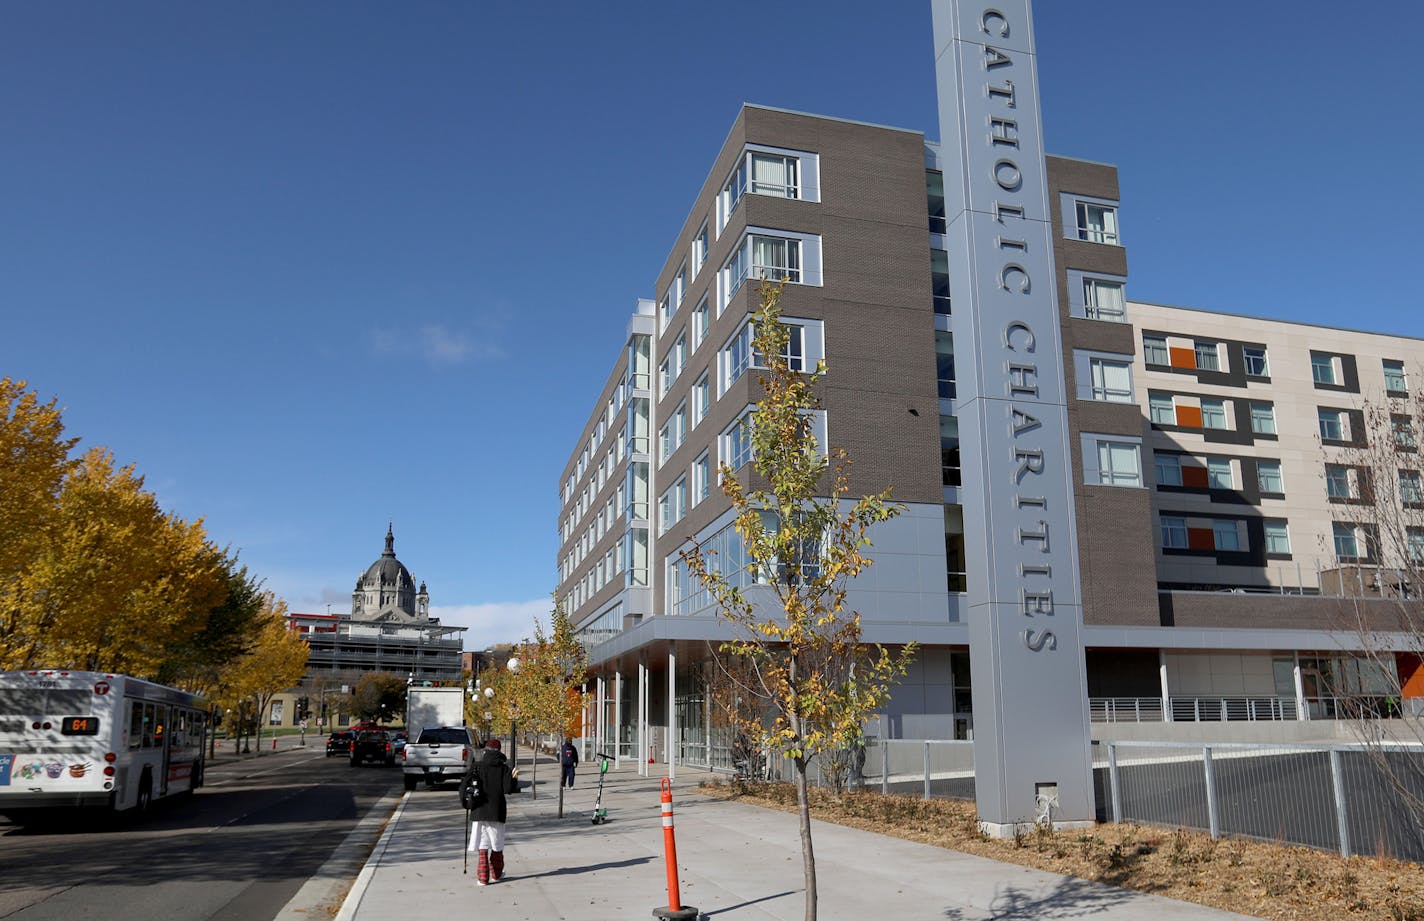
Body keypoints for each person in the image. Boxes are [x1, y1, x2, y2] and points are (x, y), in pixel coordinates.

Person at [462, 738, 519, 886]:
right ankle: (496, 874)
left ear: (485, 750)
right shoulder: (504, 768)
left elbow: (464, 787)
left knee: (482, 845)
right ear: (499, 751)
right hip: (497, 810)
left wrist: (466, 803)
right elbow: (508, 789)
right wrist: (513, 778)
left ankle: (482, 878)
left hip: (478, 810)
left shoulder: (477, 766)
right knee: (497, 845)